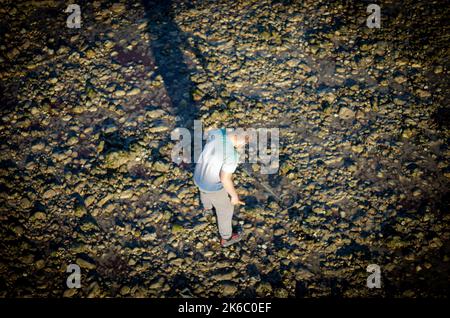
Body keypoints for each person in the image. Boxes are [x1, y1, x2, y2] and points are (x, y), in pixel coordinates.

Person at [193, 128, 247, 247]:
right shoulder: (231, 157)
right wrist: (234, 197)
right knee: (226, 210)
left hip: (198, 176)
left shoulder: (217, 132)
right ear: (239, 140)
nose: (244, 145)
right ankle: (226, 238)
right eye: (244, 143)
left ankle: (207, 209)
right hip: (212, 187)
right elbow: (224, 179)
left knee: (203, 192)